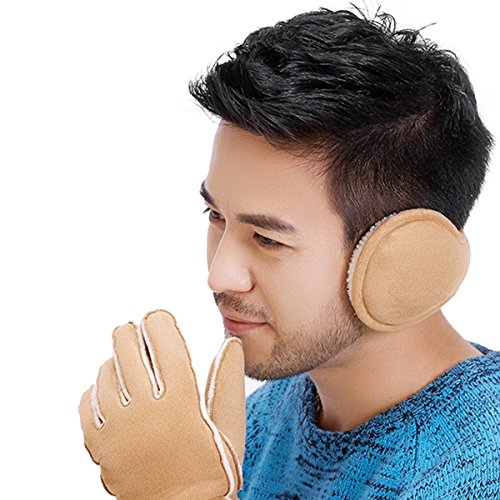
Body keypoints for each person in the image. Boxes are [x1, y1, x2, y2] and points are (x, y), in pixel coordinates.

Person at [79, 6, 500, 499]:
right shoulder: (265, 419)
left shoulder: (482, 471)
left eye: (267, 238)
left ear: (407, 260)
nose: (220, 275)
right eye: (216, 216)